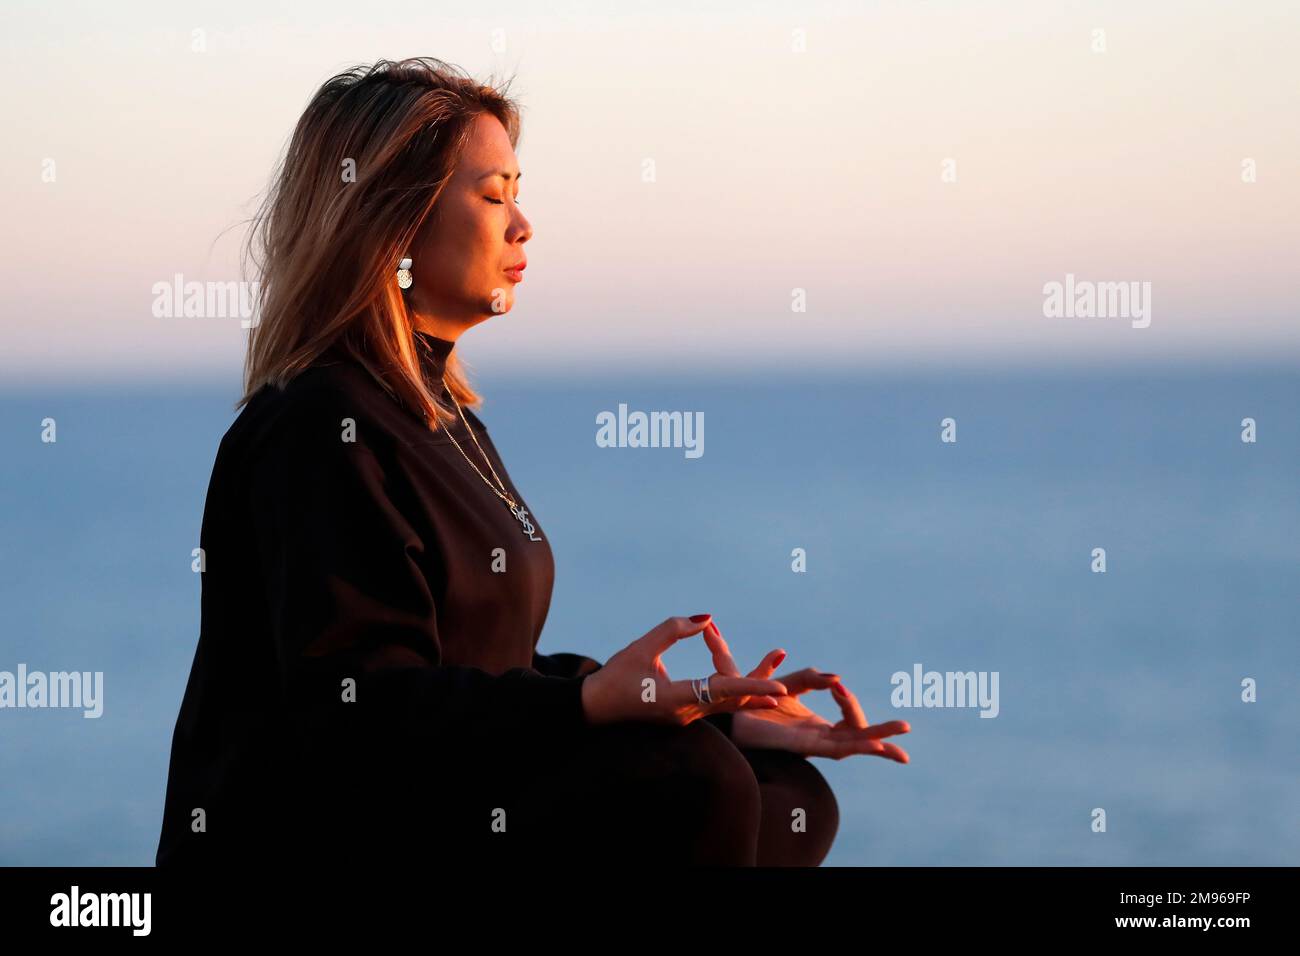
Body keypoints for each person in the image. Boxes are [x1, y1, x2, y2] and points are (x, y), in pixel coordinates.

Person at [155, 56, 910, 870]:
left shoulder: (440, 414)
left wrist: (703, 708)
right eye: (492, 195)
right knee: (693, 786)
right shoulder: (318, 427)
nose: (524, 224)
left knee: (782, 790)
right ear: (391, 220)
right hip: (331, 826)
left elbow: (490, 668)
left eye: (519, 192)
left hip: (442, 785)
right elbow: (356, 709)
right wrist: (591, 706)